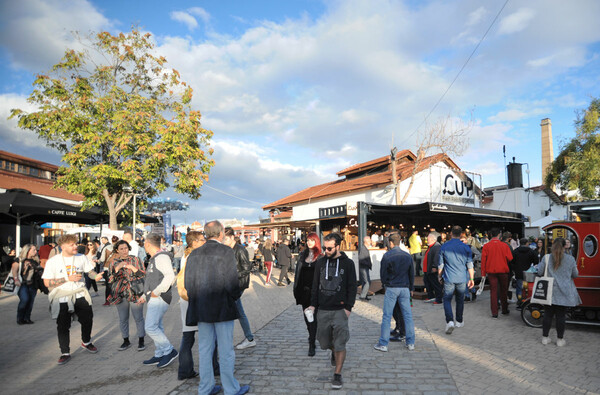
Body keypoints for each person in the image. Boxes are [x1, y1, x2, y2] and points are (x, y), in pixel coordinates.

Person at [185, 221, 250, 395]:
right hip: (222, 307)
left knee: (205, 349)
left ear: (206, 234)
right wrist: (234, 297)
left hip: (202, 308)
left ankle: (205, 388)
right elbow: (231, 282)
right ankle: (230, 388)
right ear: (220, 233)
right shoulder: (226, 252)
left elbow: (188, 284)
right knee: (226, 349)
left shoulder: (194, 254)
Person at [307, 233, 357, 390]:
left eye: (329, 248)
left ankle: (337, 374)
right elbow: (315, 285)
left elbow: (352, 287)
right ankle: (334, 352)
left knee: (340, 342)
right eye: (324, 247)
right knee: (323, 342)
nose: (326, 251)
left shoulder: (348, 264)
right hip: (323, 309)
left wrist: (348, 308)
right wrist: (312, 305)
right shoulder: (321, 262)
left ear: (338, 246)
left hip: (340, 310)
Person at [42, 234, 102, 365]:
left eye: (75, 244)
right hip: (61, 296)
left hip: (80, 293)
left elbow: (89, 272)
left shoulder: (81, 258)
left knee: (87, 319)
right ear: (63, 247)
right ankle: (65, 352)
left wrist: (96, 276)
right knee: (63, 325)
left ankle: (86, 342)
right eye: (72, 245)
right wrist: (66, 279)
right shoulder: (53, 261)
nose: (76, 246)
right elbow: (47, 283)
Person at [139, 233, 178, 369]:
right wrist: (145, 296)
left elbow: (170, 276)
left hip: (159, 297)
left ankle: (169, 350)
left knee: (150, 327)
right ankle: (160, 353)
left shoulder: (161, 257)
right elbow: (152, 279)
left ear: (148, 244)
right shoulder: (156, 257)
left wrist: (157, 291)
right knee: (157, 326)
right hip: (155, 296)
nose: (143, 245)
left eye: (144, 243)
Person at [374, 233, 416, 352]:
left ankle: (383, 343)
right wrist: (411, 288)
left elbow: (383, 274)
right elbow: (411, 274)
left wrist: (385, 284)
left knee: (387, 316)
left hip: (392, 287)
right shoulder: (407, 256)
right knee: (407, 316)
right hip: (405, 288)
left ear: (391, 243)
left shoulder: (387, 256)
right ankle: (410, 342)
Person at [538, 237, 581, 347]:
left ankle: (545, 338)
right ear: (564, 246)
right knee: (561, 316)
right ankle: (560, 340)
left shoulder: (546, 257)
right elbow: (575, 275)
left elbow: (539, 271)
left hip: (549, 291)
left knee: (547, 315)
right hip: (564, 291)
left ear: (553, 245)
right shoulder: (570, 259)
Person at [106, 240, 146, 352]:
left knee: (138, 317)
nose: (124, 251)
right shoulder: (113, 262)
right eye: (121, 249)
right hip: (120, 293)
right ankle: (126, 340)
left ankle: (141, 340)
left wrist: (133, 268)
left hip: (134, 292)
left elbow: (143, 274)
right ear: (117, 250)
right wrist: (117, 268)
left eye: (126, 248)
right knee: (123, 318)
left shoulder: (136, 259)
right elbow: (109, 279)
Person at [176, 230, 205, 381]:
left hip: (186, 300)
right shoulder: (195, 256)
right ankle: (212, 368)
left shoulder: (186, 255)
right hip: (194, 300)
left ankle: (185, 370)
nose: (204, 241)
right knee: (205, 337)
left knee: (188, 337)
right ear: (194, 242)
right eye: (201, 239)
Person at [223, 227, 257, 350]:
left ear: (232, 237)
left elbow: (247, 268)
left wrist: (232, 275)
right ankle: (249, 338)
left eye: (225, 239)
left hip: (238, 285)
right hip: (230, 284)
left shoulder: (240, 250)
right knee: (237, 311)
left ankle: (249, 338)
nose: (224, 241)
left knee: (236, 312)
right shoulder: (226, 250)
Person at [438, 226, 474, 334]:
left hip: (449, 277)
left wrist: (439, 276)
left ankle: (449, 321)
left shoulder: (444, 246)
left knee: (447, 299)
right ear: (461, 234)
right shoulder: (466, 247)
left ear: (451, 234)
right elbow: (470, 265)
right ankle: (459, 320)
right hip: (462, 277)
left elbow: (441, 265)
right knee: (460, 299)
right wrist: (471, 278)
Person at [293, 232, 322, 357]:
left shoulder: (321, 257)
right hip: (303, 292)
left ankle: (312, 342)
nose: (309, 242)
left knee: (313, 319)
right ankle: (311, 336)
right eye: (308, 240)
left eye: (312, 240)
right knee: (307, 318)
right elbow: (297, 274)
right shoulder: (302, 255)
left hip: (316, 293)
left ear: (316, 242)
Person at [481, 228, 513, 318]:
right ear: (499, 235)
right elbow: (510, 258)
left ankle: (494, 312)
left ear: (491, 235)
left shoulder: (486, 246)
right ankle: (504, 309)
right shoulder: (504, 245)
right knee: (504, 291)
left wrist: (483, 274)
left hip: (491, 272)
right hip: (503, 271)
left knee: (493, 292)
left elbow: (483, 261)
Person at [13, 244, 41, 325]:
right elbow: (14, 269)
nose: (36, 252)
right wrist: (16, 279)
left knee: (31, 302)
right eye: (34, 250)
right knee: (25, 299)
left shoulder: (35, 260)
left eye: (36, 250)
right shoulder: (19, 260)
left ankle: (27, 318)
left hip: (32, 284)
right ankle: (20, 318)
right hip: (22, 284)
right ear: (27, 250)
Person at [511, 237, 539, 305]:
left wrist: (514, 269)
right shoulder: (531, 251)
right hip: (529, 273)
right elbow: (536, 261)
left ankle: (520, 300)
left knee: (519, 287)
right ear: (527, 243)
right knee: (528, 287)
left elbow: (511, 262)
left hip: (518, 272)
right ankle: (528, 300)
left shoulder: (515, 251)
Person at [423, 232, 442, 304]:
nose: (426, 240)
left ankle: (439, 298)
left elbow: (437, 257)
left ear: (432, 239)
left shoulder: (436, 246)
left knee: (435, 284)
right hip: (427, 269)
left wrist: (435, 266)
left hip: (432, 269)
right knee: (427, 283)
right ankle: (431, 296)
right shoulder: (431, 246)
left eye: (428, 239)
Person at [358, 236, 373, 301]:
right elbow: (361, 259)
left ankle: (365, 295)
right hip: (364, 268)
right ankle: (363, 296)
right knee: (367, 282)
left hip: (365, 267)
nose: (370, 242)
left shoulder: (364, 248)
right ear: (366, 242)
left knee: (365, 282)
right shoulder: (363, 249)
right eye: (369, 241)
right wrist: (368, 264)